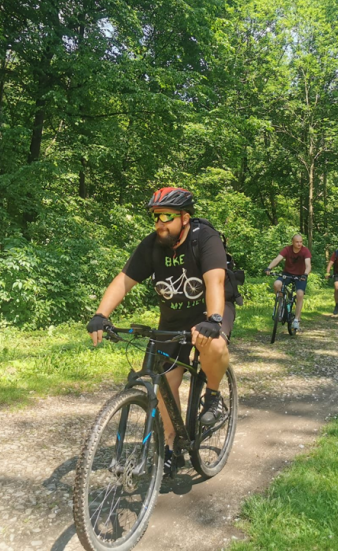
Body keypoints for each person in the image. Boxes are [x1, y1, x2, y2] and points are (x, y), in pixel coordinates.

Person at [86, 187, 234, 476]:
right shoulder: (152, 245)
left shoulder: (204, 238)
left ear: (185, 217)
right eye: (155, 217)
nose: (160, 223)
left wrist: (213, 318)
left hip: (210, 312)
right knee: (164, 384)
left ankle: (214, 395)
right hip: (173, 320)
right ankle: (171, 447)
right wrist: (101, 314)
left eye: (167, 216)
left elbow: (215, 282)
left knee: (214, 345)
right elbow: (124, 280)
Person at [264, 234, 312, 330]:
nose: (299, 244)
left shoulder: (305, 251)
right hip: (288, 274)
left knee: (299, 294)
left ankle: (296, 319)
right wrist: (269, 268)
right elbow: (277, 259)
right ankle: (281, 304)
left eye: (301, 242)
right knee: (277, 284)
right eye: (297, 242)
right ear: (292, 242)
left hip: (300, 276)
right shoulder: (287, 249)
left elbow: (308, 265)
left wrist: (305, 274)